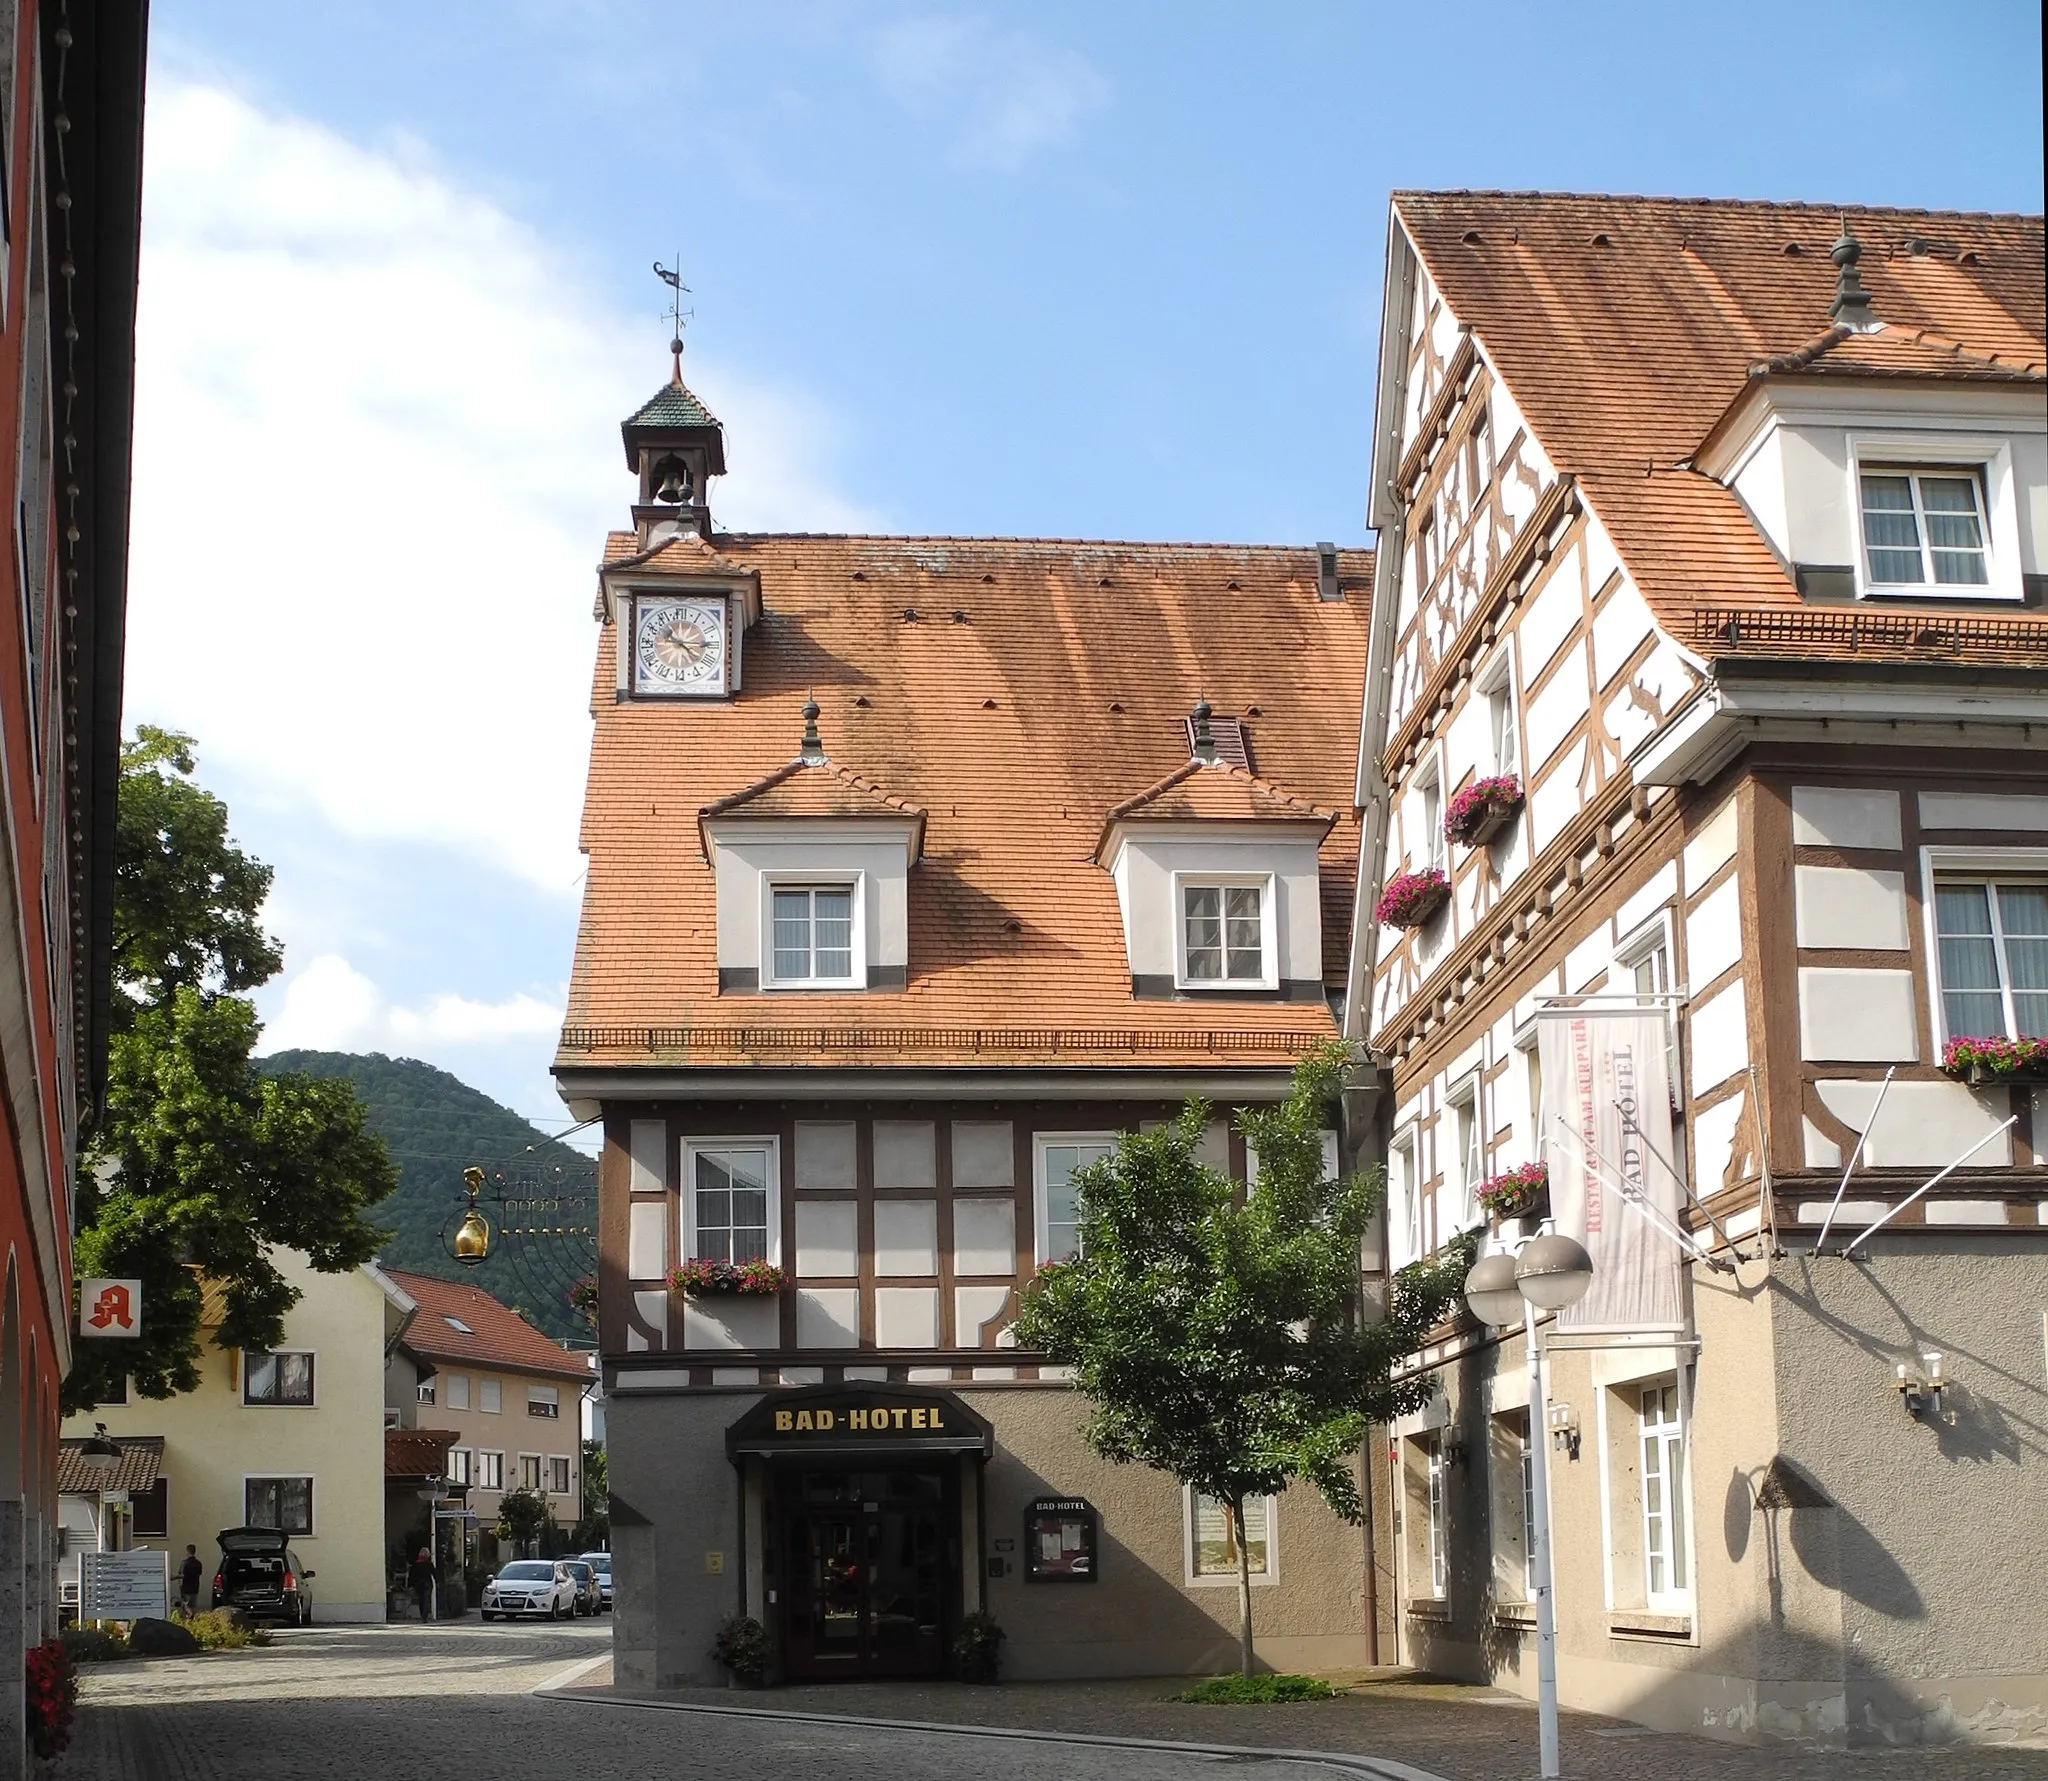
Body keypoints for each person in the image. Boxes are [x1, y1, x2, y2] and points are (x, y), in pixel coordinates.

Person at [408, 1547, 436, 1623]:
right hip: (427, 1584)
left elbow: (411, 1576)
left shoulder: (415, 1564)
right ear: (428, 1555)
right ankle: (424, 1616)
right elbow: (434, 1573)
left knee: (421, 1600)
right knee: (426, 1600)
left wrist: (411, 1585)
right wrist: (437, 1582)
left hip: (418, 1584)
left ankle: (422, 1615)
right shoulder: (429, 1564)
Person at [178, 1544, 203, 1614]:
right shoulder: (198, 1563)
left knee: (185, 1605)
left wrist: (174, 1579)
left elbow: (181, 1576)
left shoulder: (184, 1563)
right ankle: (192, 1620)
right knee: (193, 1606)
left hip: (186, 1588)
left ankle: (189, 1617)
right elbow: (199, 1574)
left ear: (187, 1552)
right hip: (195, 1587)